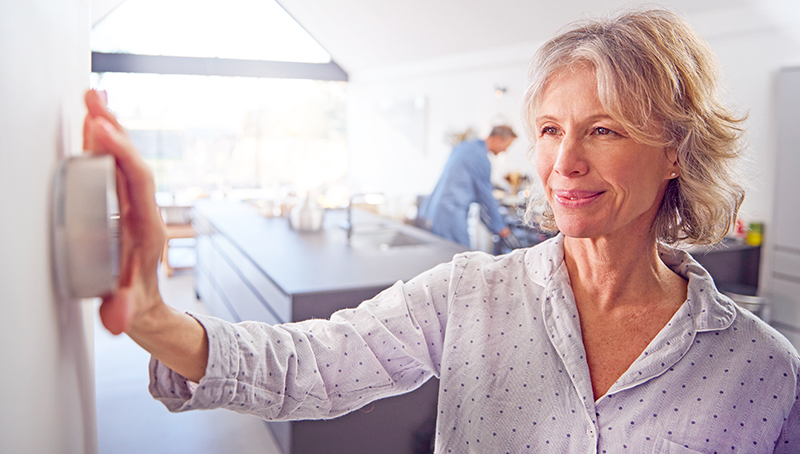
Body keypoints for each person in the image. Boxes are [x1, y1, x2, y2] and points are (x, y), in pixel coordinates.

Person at [83, 8, 800, 453]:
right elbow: (307, 367)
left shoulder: (762, 370)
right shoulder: (469, 295)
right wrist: (150, 316)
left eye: (603, 129)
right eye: (550, 130)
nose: (564, 161)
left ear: (675, 149)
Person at [418, 126, 516, 247]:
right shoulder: (480, 158)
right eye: (507, 145)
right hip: (450, 212)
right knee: (463, 257)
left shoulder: (465, 146)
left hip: (435, 210)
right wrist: (500, 227)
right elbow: (486, 196)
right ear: (498, 139)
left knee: (444, 255)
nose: (505, 150)